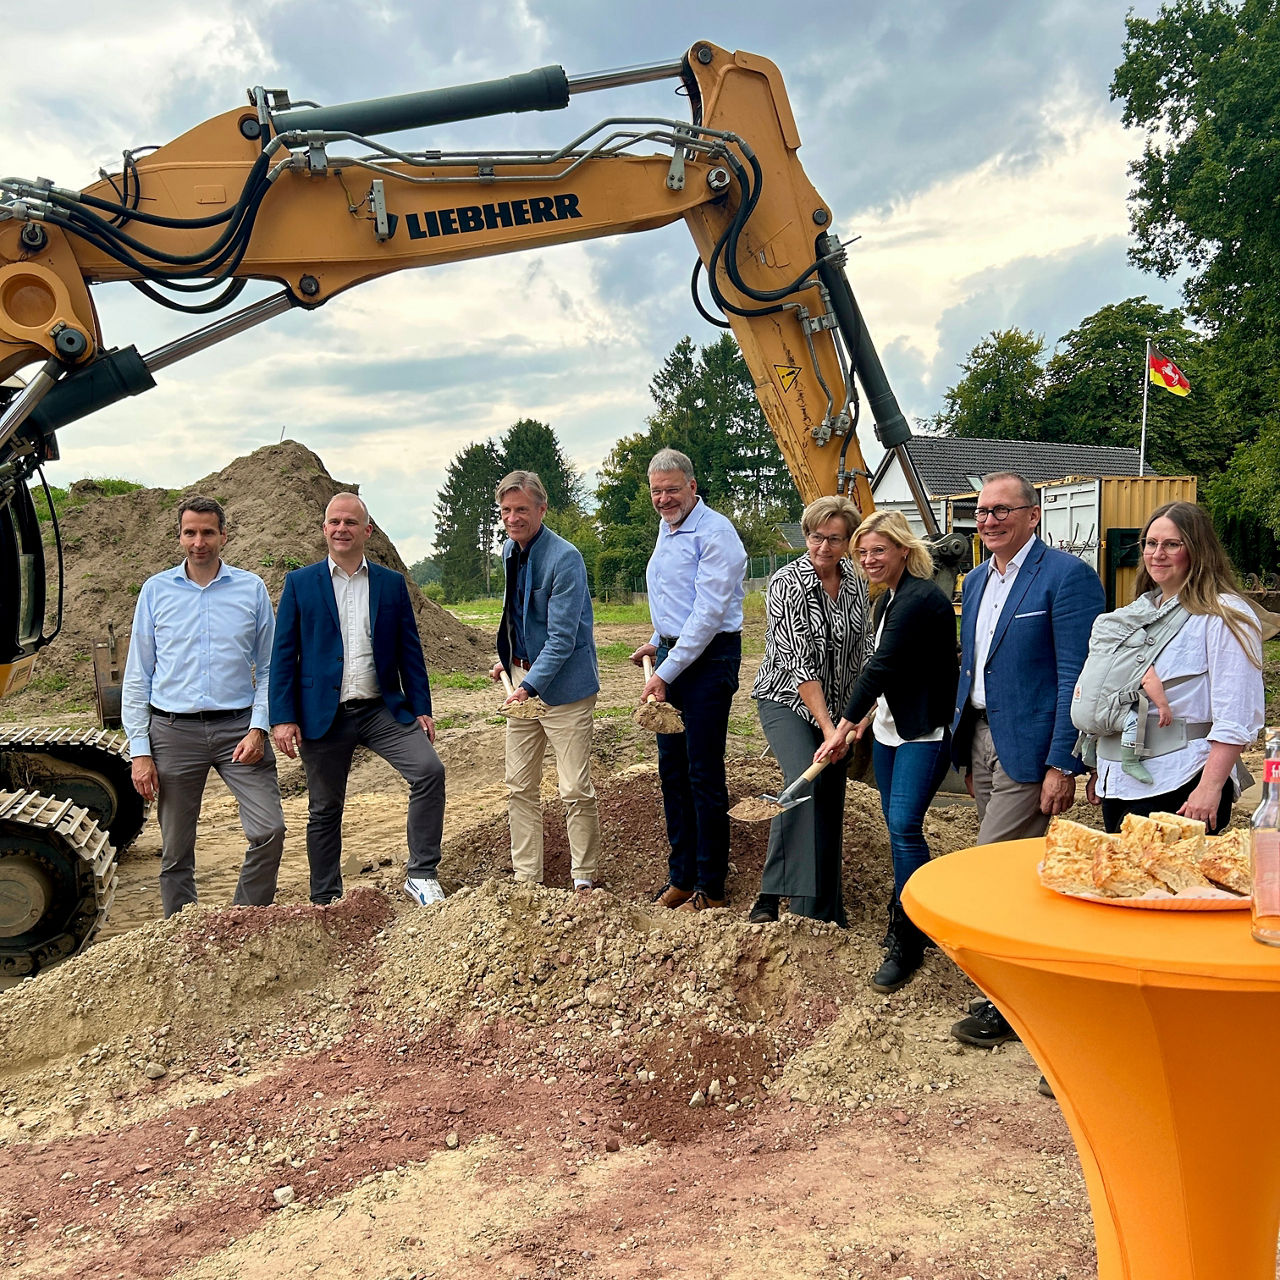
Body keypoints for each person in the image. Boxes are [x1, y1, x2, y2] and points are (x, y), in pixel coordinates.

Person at [948, 471, 1104, 1049]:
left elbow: (1075, 677)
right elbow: (974, 667)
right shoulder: (976, 580)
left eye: (1002, 510)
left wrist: (1062, 763)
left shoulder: (1066, 577)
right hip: (982, 738)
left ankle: (1011, 1004)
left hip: (1032, 750)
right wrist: (967, 753)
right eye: (982, 512)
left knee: (991, 870)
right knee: (1016, 874)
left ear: (1032, 515)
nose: (989, 520)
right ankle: (1022, 992)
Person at [269, 492, 446, 907]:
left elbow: (410, 652)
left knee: (428, 771)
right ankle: (326, 897)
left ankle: (421, 874)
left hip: (381, 709)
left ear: (367, 531)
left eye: (350, 522)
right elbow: (283, 655)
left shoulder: (390, 584)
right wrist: (283, 717)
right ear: (324, 529)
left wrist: (421, 708)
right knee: (324, 808)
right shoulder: (300, 584)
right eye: (334, 522)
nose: (341, 529)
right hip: (322, 714)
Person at [121, 496, 286, 918]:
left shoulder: (250, 589)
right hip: (173, 732)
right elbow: (138, 674)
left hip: (239, 731)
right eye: (190, 533)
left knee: (269, 829)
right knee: (176, 849)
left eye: (208, 532)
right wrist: (140, 751)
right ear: (179, 537)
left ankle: (243, 920)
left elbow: (270, 667)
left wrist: (259, 728)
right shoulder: (156, 591)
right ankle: (182, 931)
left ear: (223, 536)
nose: (199, 542)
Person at [815, 510, 958, 991]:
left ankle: (909, 935)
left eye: (878, 550)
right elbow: (891, 673)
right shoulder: (888, 600)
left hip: (924, 732)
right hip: (892, 730)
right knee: (898, 830)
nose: (869, 559)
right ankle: (914, 914)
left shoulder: (921, 599)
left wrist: (840, 728)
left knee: (903, 827)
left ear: (903, 549)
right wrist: (863, 720)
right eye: (862, 552)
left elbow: (879, 667)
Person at [1088, 501, 1264, 833]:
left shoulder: (1225, 615)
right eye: (1150, 543)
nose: (1157, 554)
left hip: (1182, 779)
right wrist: (1102, 768)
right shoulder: (1139, 612)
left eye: (1172, 544)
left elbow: (1235, 714)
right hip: (1120, 781)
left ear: (1198, 550)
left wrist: (1209, 787)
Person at [630, 448, 746, 912]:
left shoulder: (716, 534)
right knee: (673, 772)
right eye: (656, 491)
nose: (664, 499)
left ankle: (711, 887)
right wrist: (656, 641)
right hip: (675, 656)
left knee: (703, 773)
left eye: (672, 490)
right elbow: (674, 599)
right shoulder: (668, 528)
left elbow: (708, 613)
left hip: (710, 660)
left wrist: (665, 671)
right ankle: (681, 877)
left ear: (692, 487)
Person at [748, 496, 870, 926]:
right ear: (806, 535)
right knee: (804, 780)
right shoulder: (786, 583)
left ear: (848, 541)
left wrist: (857, 716)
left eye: (835, 539)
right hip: (786, 699)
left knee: (830, 797)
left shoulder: (856, 582)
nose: (823, 547)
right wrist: (828, 729)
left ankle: (824, 908)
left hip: (839, 710)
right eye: (817, 536)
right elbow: (799, 665)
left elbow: (864, 650)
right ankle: (800, 910)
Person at [488, 471, 602, 892]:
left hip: (565, 690)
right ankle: (527, 878)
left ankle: (584, 877)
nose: (512, 518)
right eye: (506, 510)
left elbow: (562, 638)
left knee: (573, 788)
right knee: (519, 786)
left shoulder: (565, 558)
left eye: (521, 509)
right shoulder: (509, 550)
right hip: (523, 680)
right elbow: (516, 614)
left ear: (542, 509)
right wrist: (509, 661)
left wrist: (527, 687)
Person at [1119, 664, 1173, 785]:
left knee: (1093, 724)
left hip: (1090, 705)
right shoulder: (1137, 656)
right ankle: (1130, 762)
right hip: (1113, 707)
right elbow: (1148, 679)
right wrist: (1163, 706)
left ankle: (1087, 751)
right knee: (1134, 722)